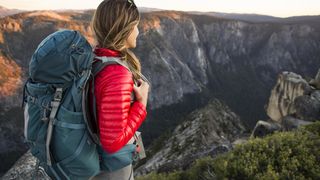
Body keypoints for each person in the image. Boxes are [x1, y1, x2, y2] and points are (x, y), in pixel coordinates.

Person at [90, 0, 150, 179]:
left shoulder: (95, 57)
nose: (138, 31)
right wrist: (141, 104)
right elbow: (112, 142)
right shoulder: (117, 74)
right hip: (110, 169)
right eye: (136, 26)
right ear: (125, 28)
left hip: (91, 158)